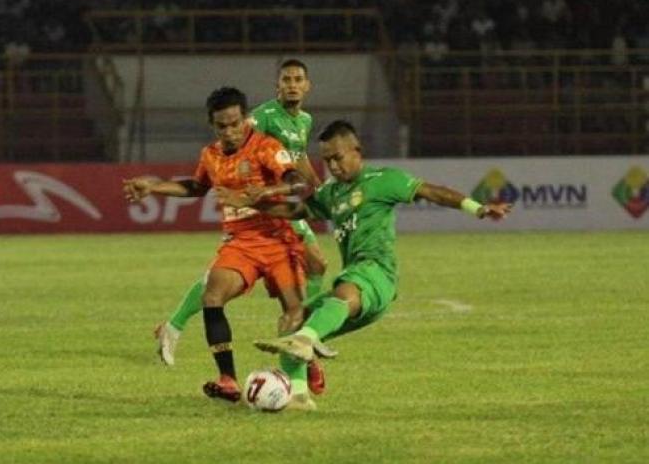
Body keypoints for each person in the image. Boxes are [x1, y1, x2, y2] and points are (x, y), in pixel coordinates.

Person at [218, 120, 512, 396]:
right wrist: (254, 203)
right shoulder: (331, 193)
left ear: (357, 152)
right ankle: (298, 395)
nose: (333, 166)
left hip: (377, 276)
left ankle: (306, 340)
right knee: (291, 319)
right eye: (327, 160)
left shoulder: (384, 180)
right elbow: (297, 210)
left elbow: (432, 192)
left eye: (338, 157)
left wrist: (479, 209)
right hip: (356, 287)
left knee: (335, 298)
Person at [123, 87, 315, 409]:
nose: (229, 132)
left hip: (278, 239)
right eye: (221, 126)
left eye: (235, 123)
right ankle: (228, 380)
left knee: (293, 314)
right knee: (213, 296)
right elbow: (196, 187)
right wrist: (154, 186)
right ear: (212, 125)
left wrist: (262, 193)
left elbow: (298, 184)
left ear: (246, 119)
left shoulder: (266, 148)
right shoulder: (210, 155)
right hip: (241, 242)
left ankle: (304, 376)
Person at [154, 59, 332, 393]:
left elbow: (299, 159)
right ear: (276, 85)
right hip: (259, 218)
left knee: (310, 276)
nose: (292, 85)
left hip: (277, 213)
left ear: (307, 85)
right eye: (286, 80)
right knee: (219, 286)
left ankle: (308, 351)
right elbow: (239, 146)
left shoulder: (303, 120)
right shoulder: (260, 118)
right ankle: (182, 332)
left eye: (298, 80)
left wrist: (318, 188)